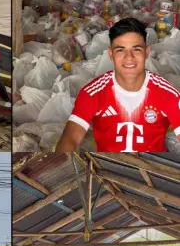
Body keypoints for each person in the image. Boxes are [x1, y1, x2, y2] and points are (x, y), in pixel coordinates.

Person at [56, 18, 180, 152]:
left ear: (147, 52)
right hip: (108, 169)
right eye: (121, 50)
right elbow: (70, 138)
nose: (129, 57)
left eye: (136, 49)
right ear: (111, 54)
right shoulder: (93, 92)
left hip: (153, 168)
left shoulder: (167, 93)